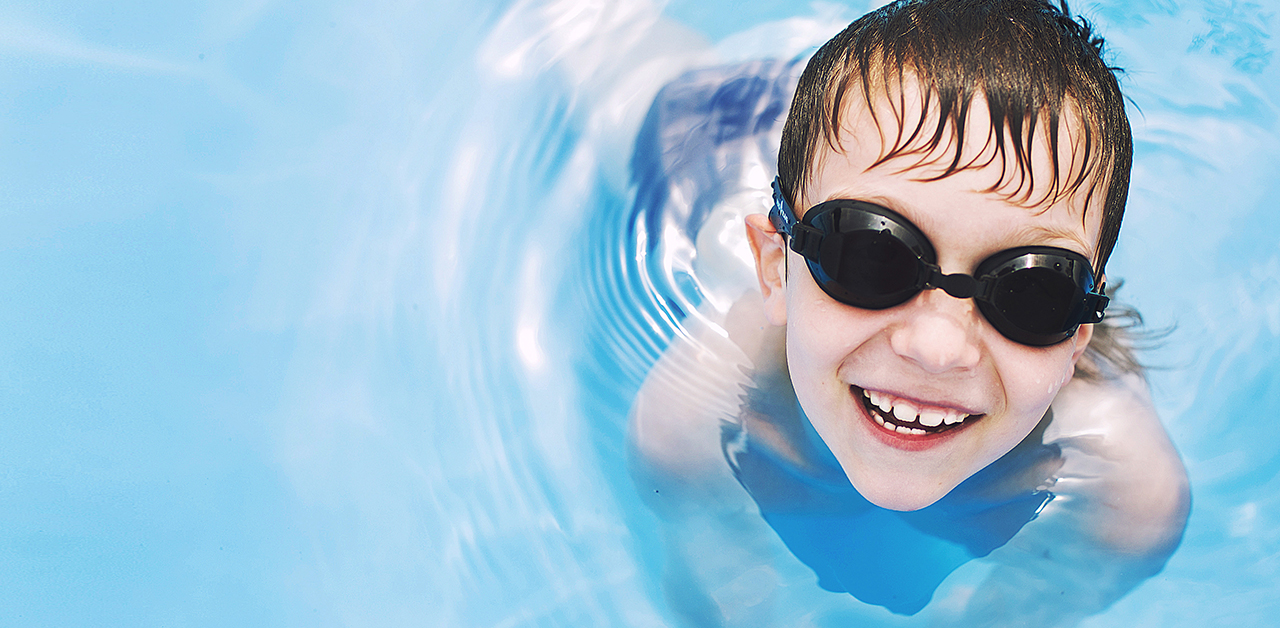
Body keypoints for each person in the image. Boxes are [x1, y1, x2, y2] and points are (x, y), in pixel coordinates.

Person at [626, 1, 1191, 625]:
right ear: (776, 270)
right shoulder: (687, 427)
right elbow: (720, 590)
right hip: (722, 141)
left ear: (1081, 331)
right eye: (870, 256)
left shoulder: (1128, 498)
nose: (938, 346)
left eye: (1034, 292)